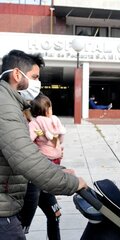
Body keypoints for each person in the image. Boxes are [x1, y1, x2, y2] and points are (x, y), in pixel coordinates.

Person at [0, 49, 87, 239]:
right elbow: (26, 159)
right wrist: (72, 184)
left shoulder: (10, 104)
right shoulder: (5, 107)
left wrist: (56, 169)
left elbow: (22, 151)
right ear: (17, 74)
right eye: (34, 76)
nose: (37, 83)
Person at [19, 93, 67, 240]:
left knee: (55, 214)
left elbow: (56, 138)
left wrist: (55, 147)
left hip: (45, 176)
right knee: (22, 224)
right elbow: (23, 147)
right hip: (32, 180)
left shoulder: (42, 121)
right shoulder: (22, 123)